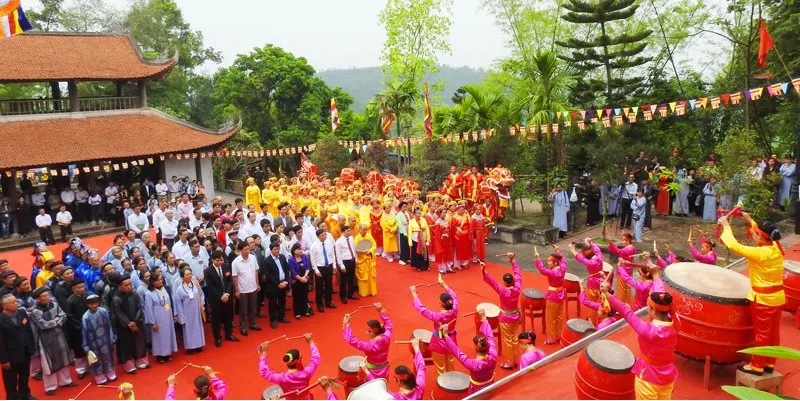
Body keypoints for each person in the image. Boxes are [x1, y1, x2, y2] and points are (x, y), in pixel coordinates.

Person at [719, 213, 784, 375]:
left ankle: (757, 365)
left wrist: (726, 226)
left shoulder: (760, 253)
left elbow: (734, 246)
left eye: (754, 233)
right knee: (773, 334)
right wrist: (749, 220)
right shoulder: (775, 246)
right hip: (777, 298)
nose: (752, 235)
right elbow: (762, 231)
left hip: (763, 300)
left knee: (762, 334)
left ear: (761, 238)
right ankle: (769, 362)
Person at [604, 269, 678, 400]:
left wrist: (607, 294)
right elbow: (661, 294)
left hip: (649, 378)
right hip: (667, 377)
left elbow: (626, 311)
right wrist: (655, 275)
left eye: (648, 308)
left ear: (654, 311)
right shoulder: (675, 323)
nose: (648, 310)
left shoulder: (649, 330)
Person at [30, 287, 75, 395]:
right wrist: (55, 321)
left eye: (48, 295)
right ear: (37, 299)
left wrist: (55, 322)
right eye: (44, 296)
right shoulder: (36, 311)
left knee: (63, 357)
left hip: (59, 335)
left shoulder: (54, 304)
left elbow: (63, 315)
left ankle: (66, 381)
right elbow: (42, 325)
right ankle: (50, 386)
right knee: (48, 362)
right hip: (46, 339)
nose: (47, 298)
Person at [411, 274, 458, 376]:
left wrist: (414, 294)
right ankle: (453, 387)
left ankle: (443, 388)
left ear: (440, 303)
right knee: (450, 364)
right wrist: (444, 285)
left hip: (439, 343)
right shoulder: (454, 309)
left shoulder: (438, 316)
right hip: (451, 340)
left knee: (440, 370)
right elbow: (454, 296)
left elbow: (422, 309)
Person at [442, 309, 497, 394]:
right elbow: (490, 336)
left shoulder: (473, 364)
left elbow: (457, 352)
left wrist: (446, 335)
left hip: (476, 390)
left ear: (474, 347)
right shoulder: (494, 354)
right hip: (491, 386)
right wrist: (484, 318)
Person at [481, 254, 521, 368]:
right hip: (515, 316)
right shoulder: (517, 288)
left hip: (506, 318)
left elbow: (492, 282)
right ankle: (515, 359)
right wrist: (513, 260)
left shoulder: (503, 291)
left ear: (504, 282)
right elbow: (518, 274)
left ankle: (509, 362)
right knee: (514, 338)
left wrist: (484, 270)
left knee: (507, 339)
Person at [258, 333, 320, 400]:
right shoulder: (307, 373)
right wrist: (310, 341)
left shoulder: (282, 378)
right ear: (299, 360)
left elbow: (264, 372)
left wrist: (264, 353)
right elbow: (316, 358)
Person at [342, 302, 392, 380]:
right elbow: (389, 324)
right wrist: (381, 310)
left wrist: (347, 324)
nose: (366, 332)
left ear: (372, 332)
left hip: (373, 372)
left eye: (367, 331)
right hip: (385, 369)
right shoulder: (387, 335)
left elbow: (352, 340)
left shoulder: (369, 346)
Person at [0, 293, 36, 400]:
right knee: (10, 380)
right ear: (5, 306)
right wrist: (4, 360)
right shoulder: (1, 320)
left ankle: (25, 395)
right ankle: (13, 398)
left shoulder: (21, 312)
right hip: (10, 356)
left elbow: (28, 331)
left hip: (25, 351)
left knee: (24, 376)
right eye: (13, 303)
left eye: (16, 301)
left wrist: (31, 347)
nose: (17, 304)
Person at [111, 275, 149, 373]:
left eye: (130, 284)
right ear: (120, 286)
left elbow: (139, 307)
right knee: (126, 346)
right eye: (126, 285)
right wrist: (129, 324)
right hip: (124, 327)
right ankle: (129, 367)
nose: (129, 286)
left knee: (139, 343)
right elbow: (118, 314)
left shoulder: (134, 294)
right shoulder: (116, 298)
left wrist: (136, 321)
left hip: (137, 323)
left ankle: (142, 362)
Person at [81, 294, 117, 384]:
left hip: (105, 339)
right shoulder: (85, 316)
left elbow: (109, 325)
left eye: (96, 303)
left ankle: (111, 374)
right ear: (87, 305)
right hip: (93, 341)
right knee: (96, 360)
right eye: (91, 304)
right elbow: (84, 332)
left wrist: (112, 337)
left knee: (108, 357)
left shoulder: (103, 311)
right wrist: (85, 346)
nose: (94, 305)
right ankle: (100, 378)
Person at [534, 248, 566, 346]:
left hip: (553, 296)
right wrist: (558, 251)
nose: (548, 263)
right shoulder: (563, 268)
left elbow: (542, 269)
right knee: (559, 316)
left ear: (555, 263)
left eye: (549, 261)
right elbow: (563, 259)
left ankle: (552, 338)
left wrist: (538, 258)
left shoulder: (553, 272)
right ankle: (558, 335)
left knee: (551, 317)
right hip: (560, 293)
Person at [143, 273, 178, 362]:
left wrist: (174, 314)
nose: (160, 282)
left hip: (167, 316)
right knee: (159, 337)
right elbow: (148, 309)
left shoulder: (165, 289)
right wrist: (152, 322)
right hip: (157, 318)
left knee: (168, 335)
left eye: (161, 279)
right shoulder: (149, 293)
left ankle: (168, 353)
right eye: (157, 280)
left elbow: (171, 301)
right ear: (152, 282)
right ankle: (160, 355)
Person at [204, 250, 237, 346]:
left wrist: (226, 293)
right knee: (216, 319)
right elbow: (211, 286)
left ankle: (229, 334)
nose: (220, 262)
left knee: (228, 316)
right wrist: (221, 296)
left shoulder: (226, 266)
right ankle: (217, 337)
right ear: (213, 260)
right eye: (218, 260)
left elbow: (230, 281)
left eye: (221, 260)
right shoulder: (208, 271)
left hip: (227, 296)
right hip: (216, 299)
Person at [571, 239, 604, 324]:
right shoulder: (599, 257)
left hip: (593, 283)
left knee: (592, 304)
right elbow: (597, 249)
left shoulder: (590, 262)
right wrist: (590, 243)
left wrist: (572, 249)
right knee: (601, 302)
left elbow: (579, 258)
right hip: (601, 282)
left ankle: (592, 322)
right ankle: (602, 319)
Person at [173, 267, 205, 354]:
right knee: (188, 330)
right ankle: (190, 347)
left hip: (196, 310)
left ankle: (198, 345)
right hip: (186, 312)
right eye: (187, 274)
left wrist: (202, 306)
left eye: (190, 274)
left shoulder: (195, 284)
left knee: (197, 328)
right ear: (182, 276)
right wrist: (181, 317)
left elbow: (201, 295)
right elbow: (178, 304)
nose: (189, 276)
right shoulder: (179, 289)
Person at [232, 242, 261, 336]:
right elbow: (235, 277)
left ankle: (253, 323)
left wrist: (257, 283)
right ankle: (243, 327)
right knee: (243, 310)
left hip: (253, 287)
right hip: (242, 289)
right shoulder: (236, 262)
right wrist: (236, 290)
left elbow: (256, 271)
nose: (248, 251)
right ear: (240, 250)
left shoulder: (253, 258)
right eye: (246, 249)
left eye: (248, 249)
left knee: (253, 307)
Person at [64, 277, 89, 379]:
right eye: (79, 287)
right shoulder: (70, 300)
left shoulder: (88, 296)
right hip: (77, 328)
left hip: (89, 327)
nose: (82, 289)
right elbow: (69, 315)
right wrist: (80, 325)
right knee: (79, 350)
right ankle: (81, 370)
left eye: (83, 286)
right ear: (74, 289)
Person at [263, 242, 291, 329]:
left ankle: (281, 317)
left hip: (283, 283)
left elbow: (286, 269)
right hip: (273, 286)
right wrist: (278, 284)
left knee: (282, 301)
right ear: (271, 250)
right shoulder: (267, 261)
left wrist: (286, 281)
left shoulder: (282, 257)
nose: (276, 251)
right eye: (274, 249)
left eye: (277, 249)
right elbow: (268, 275)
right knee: (273, 303)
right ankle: (273, 320)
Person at [309, 229, 336, 312]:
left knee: (328, 285)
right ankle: (319, 304)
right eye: (322, 235)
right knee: (319, 287)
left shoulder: (328, 242)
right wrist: (316, 271)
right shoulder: (314, 246)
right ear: (318, 236)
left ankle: (328, 302)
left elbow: (332, 254)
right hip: (320, 268)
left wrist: (334, 265)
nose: (324, 236)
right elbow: (312, 259)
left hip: (329, 266)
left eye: (325, 234)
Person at [609, 233, 637, 306]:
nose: (623, 242)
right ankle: (627, 303)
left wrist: (611, 242)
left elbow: (619, 251)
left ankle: (620, 305)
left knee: (621, 288)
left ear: (629, 240)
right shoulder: (632, 247)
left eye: (625, 240)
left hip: (623, 269)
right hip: (628, 269)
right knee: (627, 287)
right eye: (622, 240)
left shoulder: (628, 248)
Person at [335, 225, 359, 302]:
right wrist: (341, 265)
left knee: (351, 278)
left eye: (350, 230)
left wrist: (355, 258)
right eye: (348, 231)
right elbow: (338, 255)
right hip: (345, 262)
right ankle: (343, 296)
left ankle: (350, 294)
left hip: (352, 260)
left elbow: (353, 248)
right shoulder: (338, 242)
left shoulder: (351, 238)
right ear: (343, 232)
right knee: (343, 280)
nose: (350, 232)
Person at [354, 224, 377, 297]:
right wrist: (363, 251)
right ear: (359, 230)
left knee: (371, 275)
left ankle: (371, 291)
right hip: (361, 259)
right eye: (363, 230)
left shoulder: (369, 236)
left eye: (366, 229)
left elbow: (374, 245)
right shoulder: (357, 238)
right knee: (363, 276)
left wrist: (370, 250)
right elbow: (356, 249)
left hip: (369, 259)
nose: (365, 231)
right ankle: (364, 292)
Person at [451, 203, 471, 269]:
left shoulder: (466, 216)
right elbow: (453, 227)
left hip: (465, 236)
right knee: (458, 250)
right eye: (460, 210)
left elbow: (468, 225)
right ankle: (457, 264)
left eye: (463, 210)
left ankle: (464, 263)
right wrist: (456, 234)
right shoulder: (454, 217)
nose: (462, 211)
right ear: (457, 210)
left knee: (465, 249)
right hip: (458, 236)